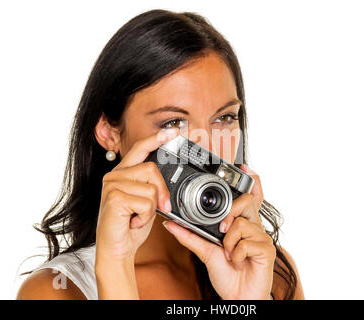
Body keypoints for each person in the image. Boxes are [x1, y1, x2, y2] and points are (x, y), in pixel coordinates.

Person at [16, 9, 304, 300]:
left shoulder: (271, 273)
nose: (207, 150)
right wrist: (115, 271)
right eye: (174, 123)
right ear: (109, 133)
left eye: (225, 118)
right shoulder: (55, 291)